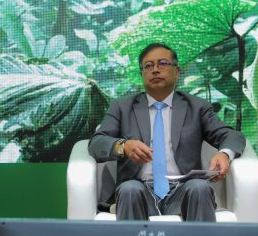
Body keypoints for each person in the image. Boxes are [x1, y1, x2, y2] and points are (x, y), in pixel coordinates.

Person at [88, 43, 245, 221]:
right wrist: (123, 146)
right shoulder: (122, 107)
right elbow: (96, 143)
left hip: (184, 190)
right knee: (129, 189)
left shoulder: (196, 107)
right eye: (148, 66)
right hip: (138, 191)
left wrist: (225, 154)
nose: (155, 70)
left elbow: (232, 135)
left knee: (199, 188)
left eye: (162, 63)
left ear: (176, 72)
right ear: (142, 74)